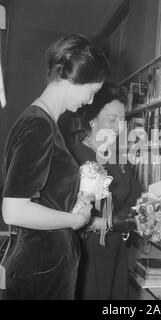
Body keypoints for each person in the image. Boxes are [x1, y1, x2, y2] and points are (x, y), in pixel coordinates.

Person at [0, 34, 111, 300]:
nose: (89, 101)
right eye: (92, 91)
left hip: (44, 265)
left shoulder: (41, 122)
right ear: (74, 80)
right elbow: (14, 210)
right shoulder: (40, 126)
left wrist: (72, 204)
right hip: (40, 269)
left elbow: (42, 196)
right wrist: (74, 219)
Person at [64, 82, 143, 300]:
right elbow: (65, 219)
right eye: (112, 119)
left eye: (122, 120)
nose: (119, 126)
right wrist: (108, 223)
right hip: (86, 258)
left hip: (116, 254)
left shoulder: (120, 158)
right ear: (92, 119)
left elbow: (139, 198)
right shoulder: (72, 158)